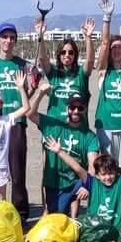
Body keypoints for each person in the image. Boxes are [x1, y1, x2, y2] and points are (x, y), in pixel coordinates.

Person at [0, 21, 39, 217]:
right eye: (5, 37)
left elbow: (27, 96)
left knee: (17, 173)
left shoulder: (23, 65)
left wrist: (33, 85)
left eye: (12, 38)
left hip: (16, 122)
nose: (8, 41)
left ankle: (20, 214)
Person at [35, 20, 94, 207]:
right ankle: (47, 209)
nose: (67, 55)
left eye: (71, 52)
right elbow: (43, 60)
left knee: (76, 170)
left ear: (75, 55)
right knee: (49, 171)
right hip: (53, 130)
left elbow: (91, 62)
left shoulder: (80, 76)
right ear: (59, 55)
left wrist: (88, 38)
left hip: (77, 129)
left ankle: (74, 212)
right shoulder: (53, 74)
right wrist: (41, 36)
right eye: (63, 52)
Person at [90, 0, 121, 169]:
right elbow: (104, 43)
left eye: (119, 47)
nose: (116, 50)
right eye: (114, 48)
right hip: (106, 129)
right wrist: (106, 18)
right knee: (107, 171)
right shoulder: (104, 71)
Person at [33, 90, 96, 216]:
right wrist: (40, 94)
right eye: (73, 107)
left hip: (75, 182)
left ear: (85, 109)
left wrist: (87, 186)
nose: (76, 111)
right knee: (55, 216)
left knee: (97, 185)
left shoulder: (90, 136)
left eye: (80, 108)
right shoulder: (54, 126)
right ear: (68, 108)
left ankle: (78, 218)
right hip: (55, 182)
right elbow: (30, 113)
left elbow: (92, 165)